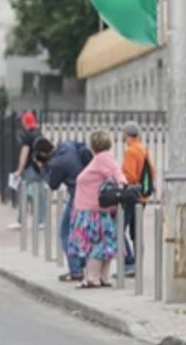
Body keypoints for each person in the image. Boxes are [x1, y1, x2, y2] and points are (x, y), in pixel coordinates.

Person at [68, 130, 126, 288]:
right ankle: (103, 277)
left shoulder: (102, 159)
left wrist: (121, 186)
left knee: (95, 244)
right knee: (104, 244)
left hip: (93, 210)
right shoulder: (104, 159)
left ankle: (92, 278)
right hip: (96, 209)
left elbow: (118, 176)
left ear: (93, 145)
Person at [32, 136, 91, 282]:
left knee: (66, 232)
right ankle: (83, 264)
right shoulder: (67, 145)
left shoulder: (56, 163)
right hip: (89, 190)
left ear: (43, 153)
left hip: (78, 196)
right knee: (82, 231)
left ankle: (75, 270)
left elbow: (53, 184)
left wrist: (42, 167)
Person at [120, 121, 156, 277]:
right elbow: (152, 171)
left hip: (131, 195)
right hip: (142, 196)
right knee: (136, 231)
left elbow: (130, 176)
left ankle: (129, 263)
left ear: (126, 134)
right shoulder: (143, 148)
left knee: (119, 228)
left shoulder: (131, 151)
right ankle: (138, 263)